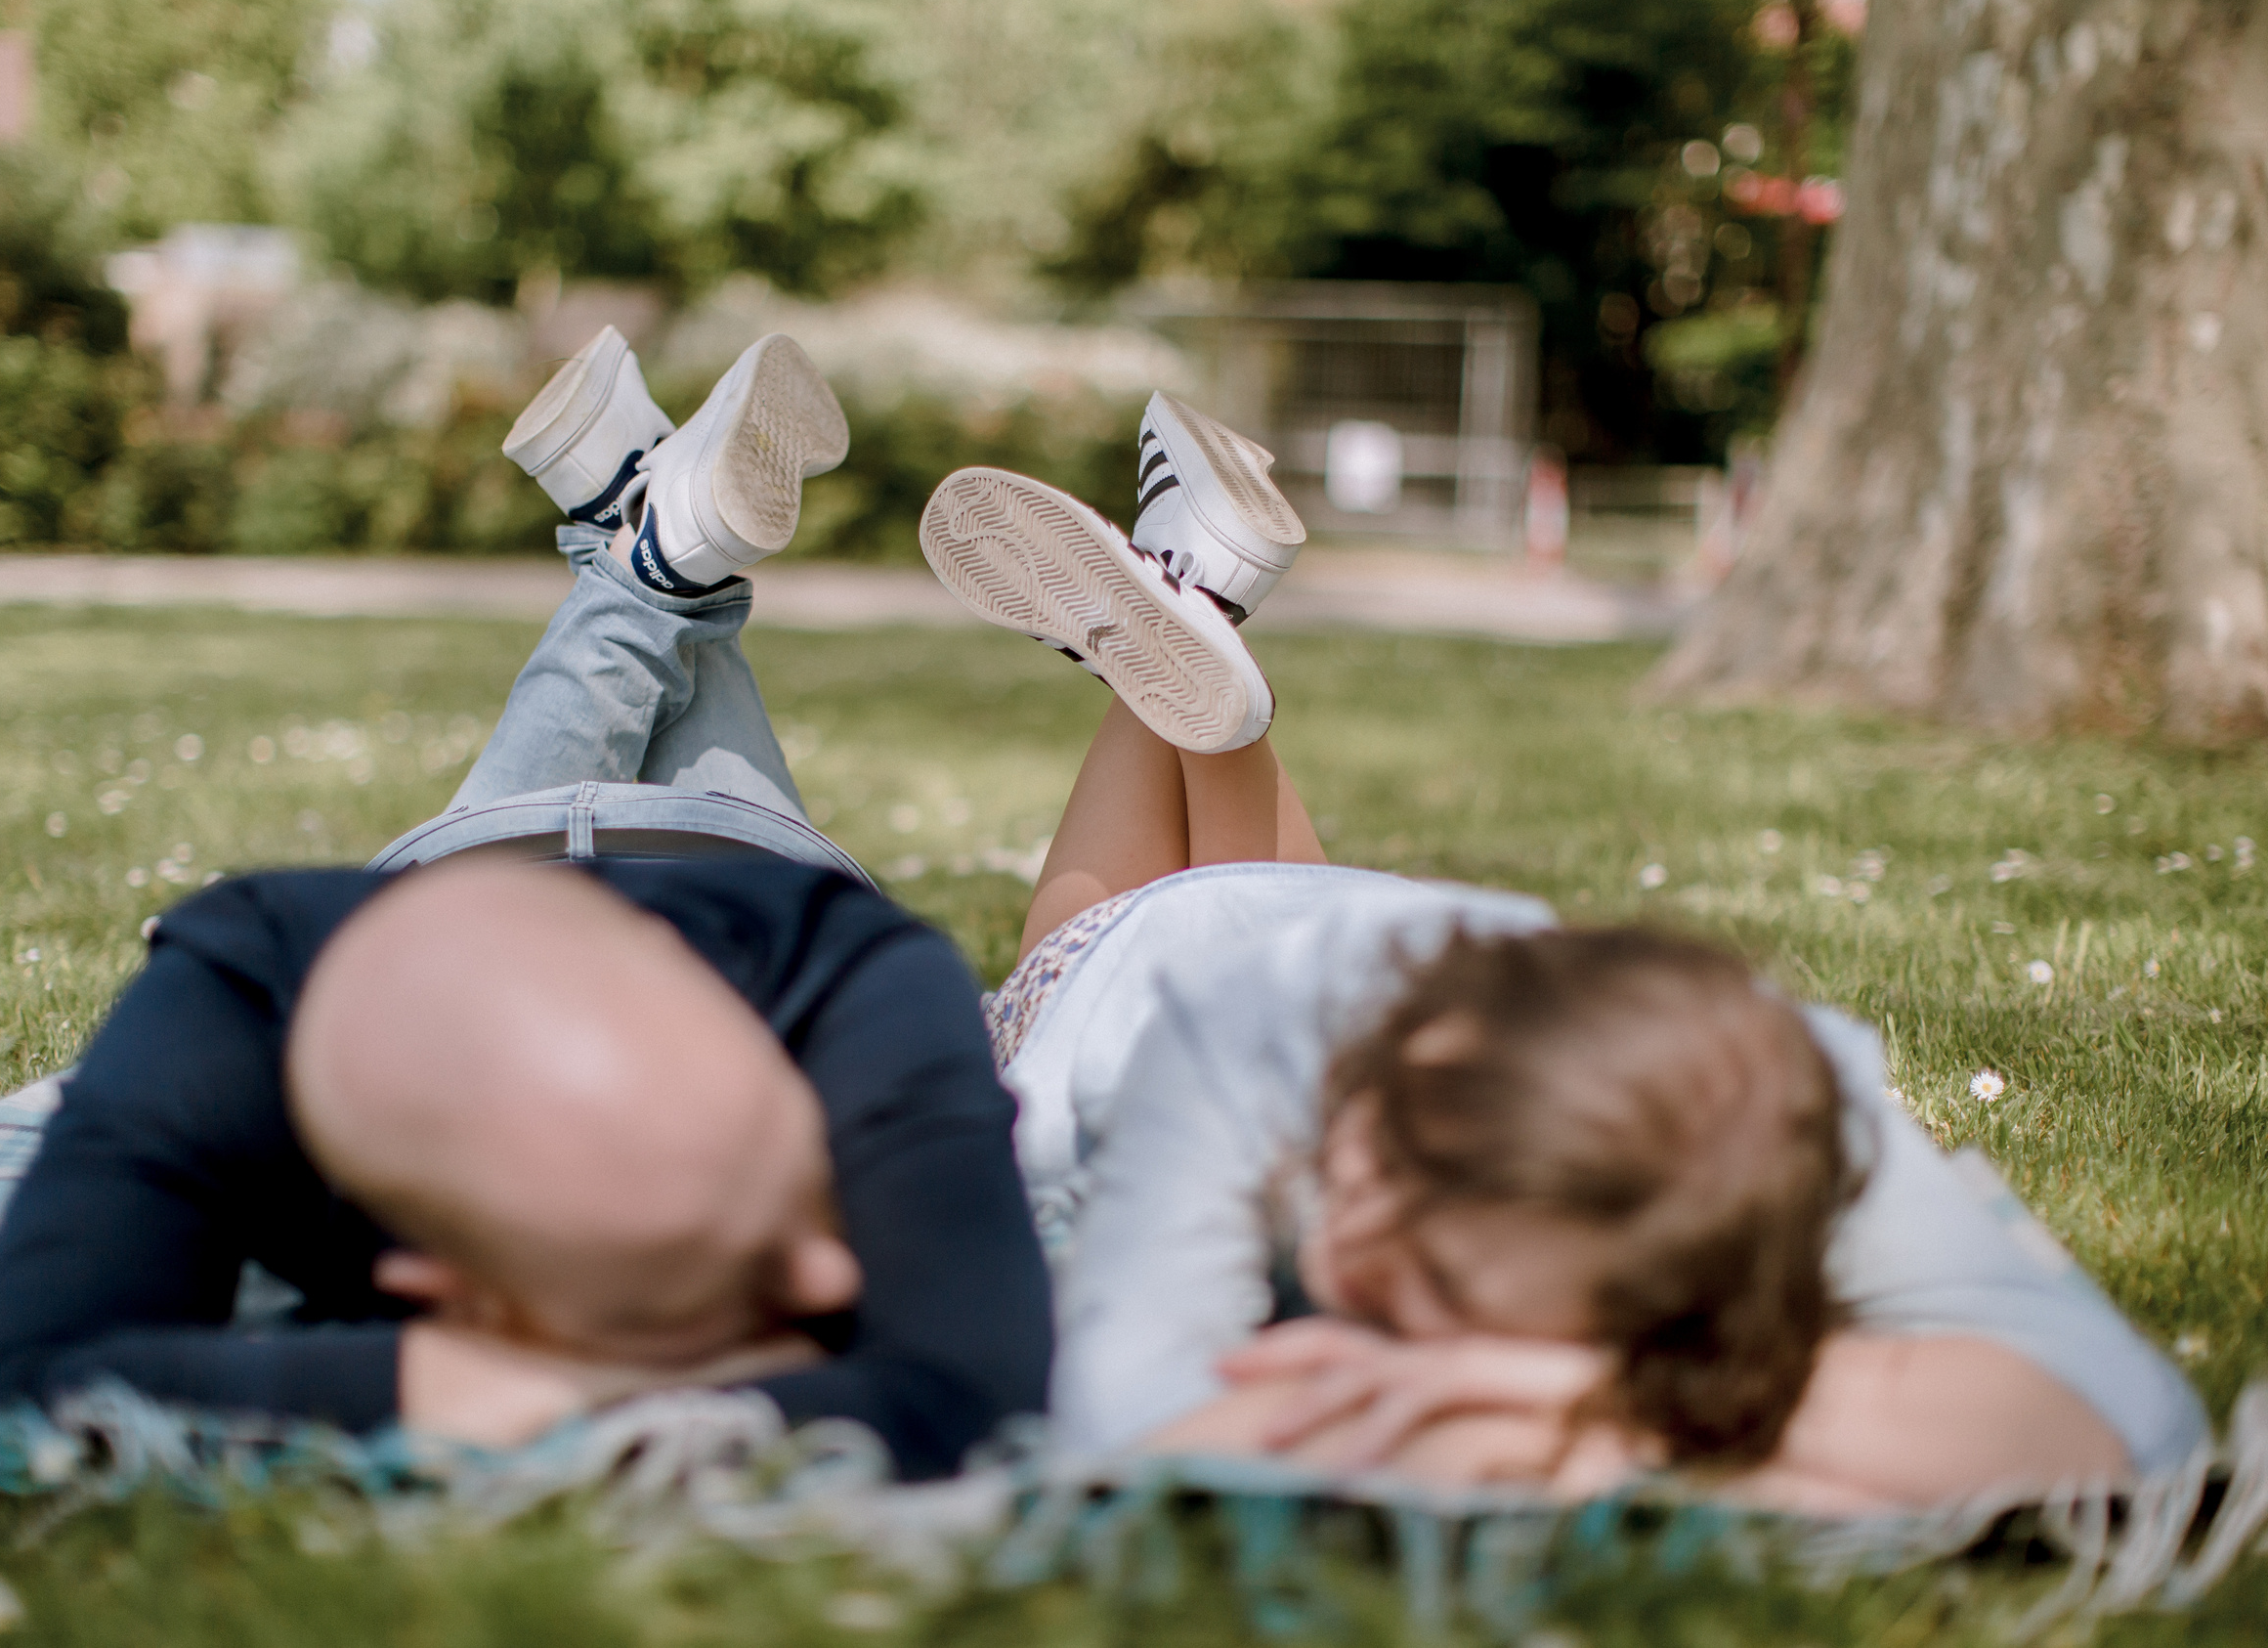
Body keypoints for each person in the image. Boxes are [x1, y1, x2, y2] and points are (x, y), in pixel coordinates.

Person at [910, 446, 2210, 1510]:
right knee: (1068, 952)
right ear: (1396, 1077)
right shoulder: (1234, 1043)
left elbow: (2134, 1418)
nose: (1347, 1265)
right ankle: (1187, 602)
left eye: (1443, 1291)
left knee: (1264, 906)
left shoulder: (1766, 1104)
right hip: (1155, 980)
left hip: (1351, 916)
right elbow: (1132, 1424)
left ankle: (1195, 589)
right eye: (1359, 1176)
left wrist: (1577, 1401)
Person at [0, 331, 1052, 1482]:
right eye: (784, 1237)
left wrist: (572, 1373)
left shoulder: (249, 976)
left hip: (480, 882)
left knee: (660, 606)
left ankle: (642, 546)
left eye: (804, 1175)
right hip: (734, 863)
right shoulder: (243, 986)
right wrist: (554, 1390)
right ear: (441, 1284)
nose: (833, 1277)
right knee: (671, 597)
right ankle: (646, 540)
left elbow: (28, 1387)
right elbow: (951, 1393)